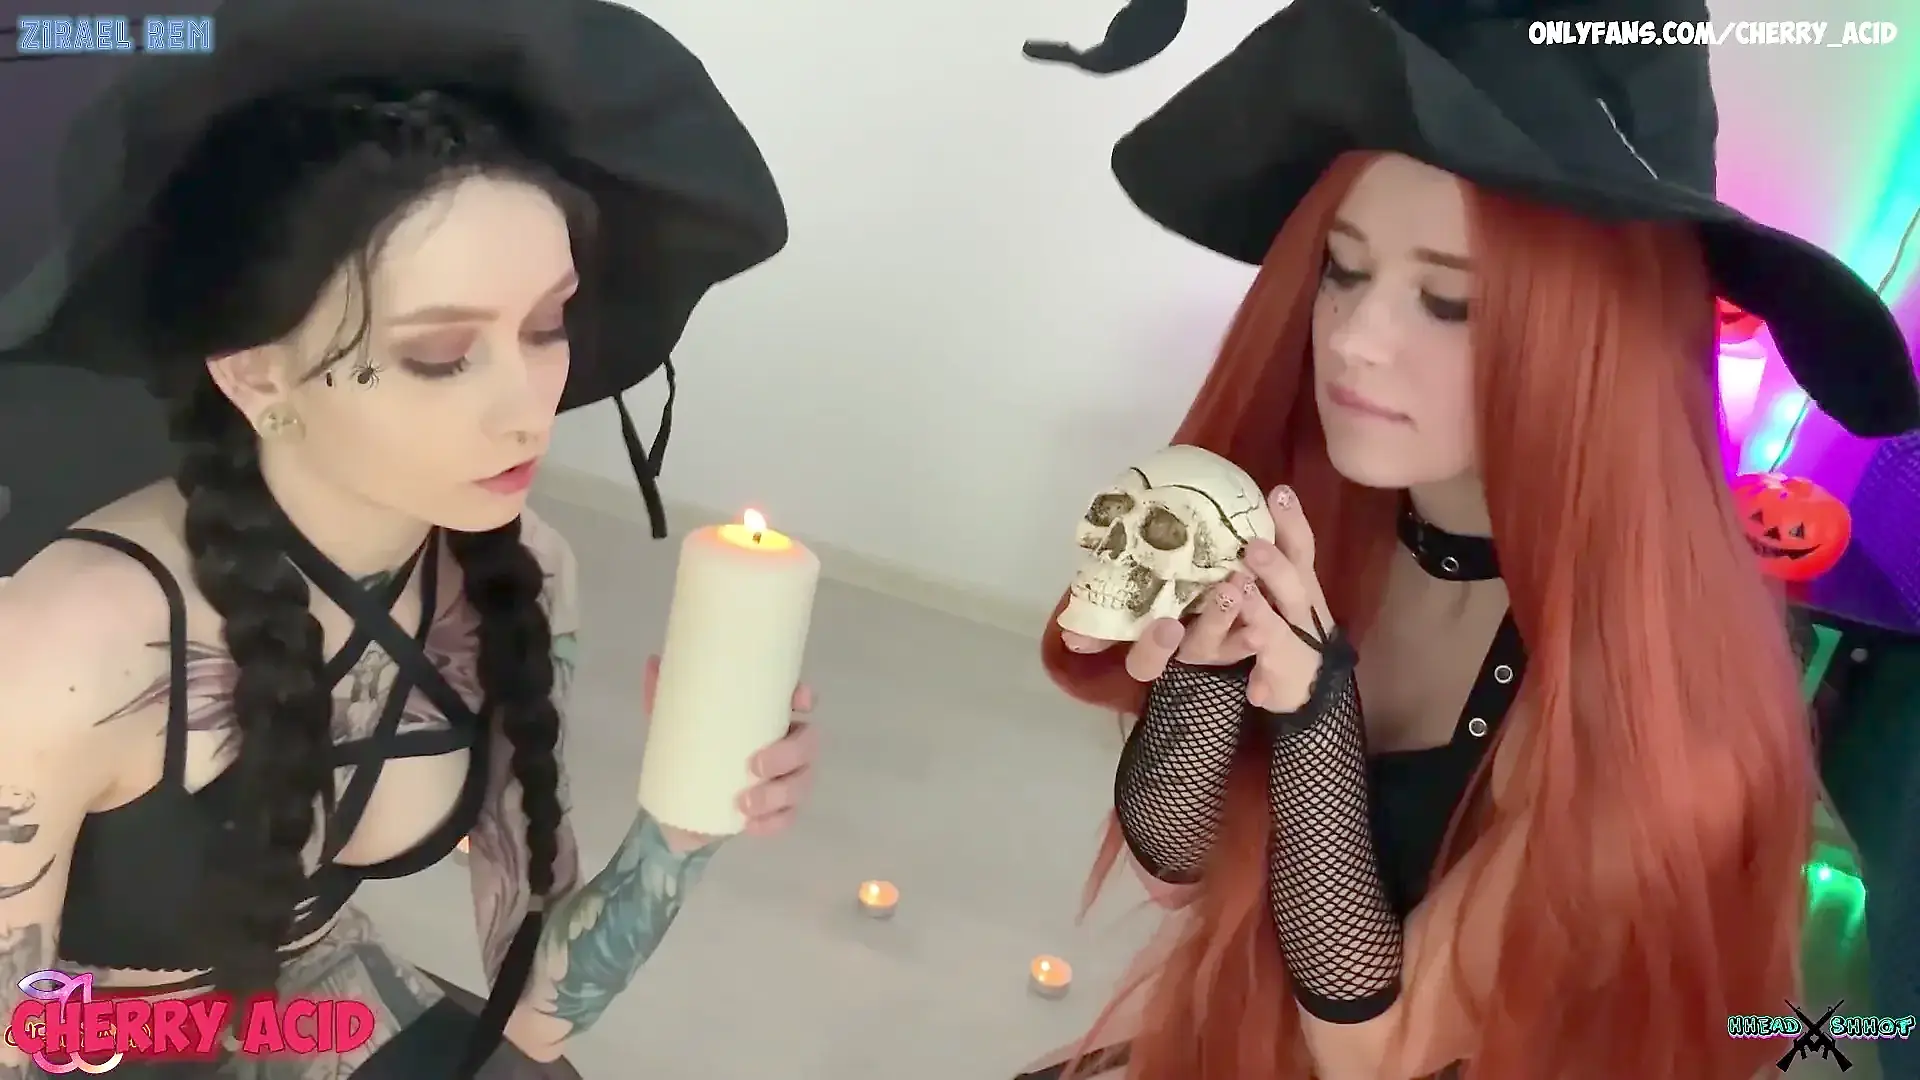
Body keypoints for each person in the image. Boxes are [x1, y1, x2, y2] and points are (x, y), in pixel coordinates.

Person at [1019, 1, 1920, 1078]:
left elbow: (1379, 1052)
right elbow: (1180, 875)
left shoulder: (1640, 691)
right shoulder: (1326, 523)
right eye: (1343, 270)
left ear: (1595, 336)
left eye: (1448, 302)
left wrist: (1316, 716)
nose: (1355, 339)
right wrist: (1205, 688)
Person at [0, 0, 813, 1075]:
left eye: (547, 326)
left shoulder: (521, 576)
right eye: (439, 356)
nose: (527, 411)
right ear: (256, 374)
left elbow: (532, 1012)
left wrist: (687, 821)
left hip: (322, 1006)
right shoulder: (68, 646)